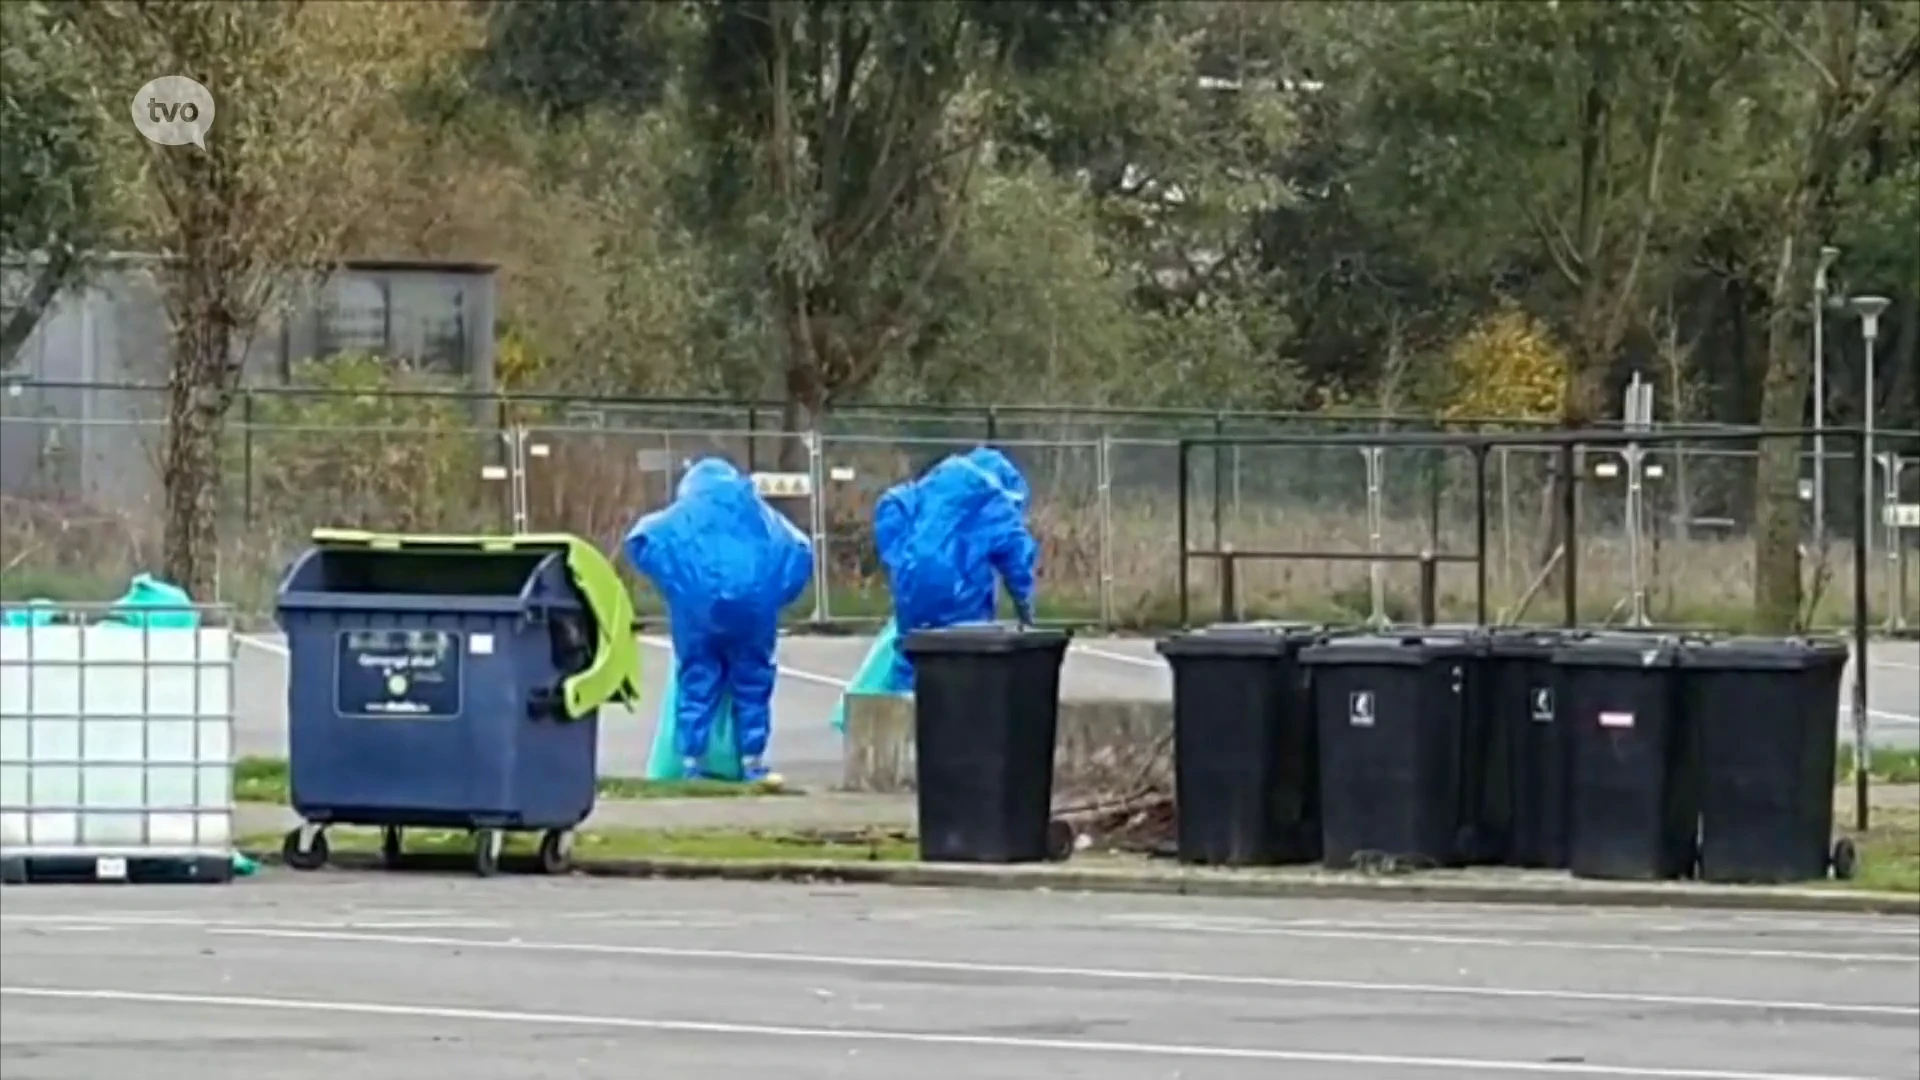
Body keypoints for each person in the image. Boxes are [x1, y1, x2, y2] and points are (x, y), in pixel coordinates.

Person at [622, 457, 812, 781]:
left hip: (699, 613)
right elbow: (799, 549)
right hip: (752, 612)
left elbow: (641, 539)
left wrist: (674, 583)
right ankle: (752, 759)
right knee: (752, 681)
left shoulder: (685, 512)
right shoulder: (757, 511)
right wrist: (775, 595)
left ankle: (691, 761)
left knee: (697, 680)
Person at [872, 446, 1040, 691]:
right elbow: (1016, 557)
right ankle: (960, 716)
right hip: (962, 587)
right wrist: (1026, 609)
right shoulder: (995, 499)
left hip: (912, 583)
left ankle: (905, 715)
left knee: (913, 652)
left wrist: (900, 559)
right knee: (965, 657)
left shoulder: (934, 482)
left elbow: (891, 505)